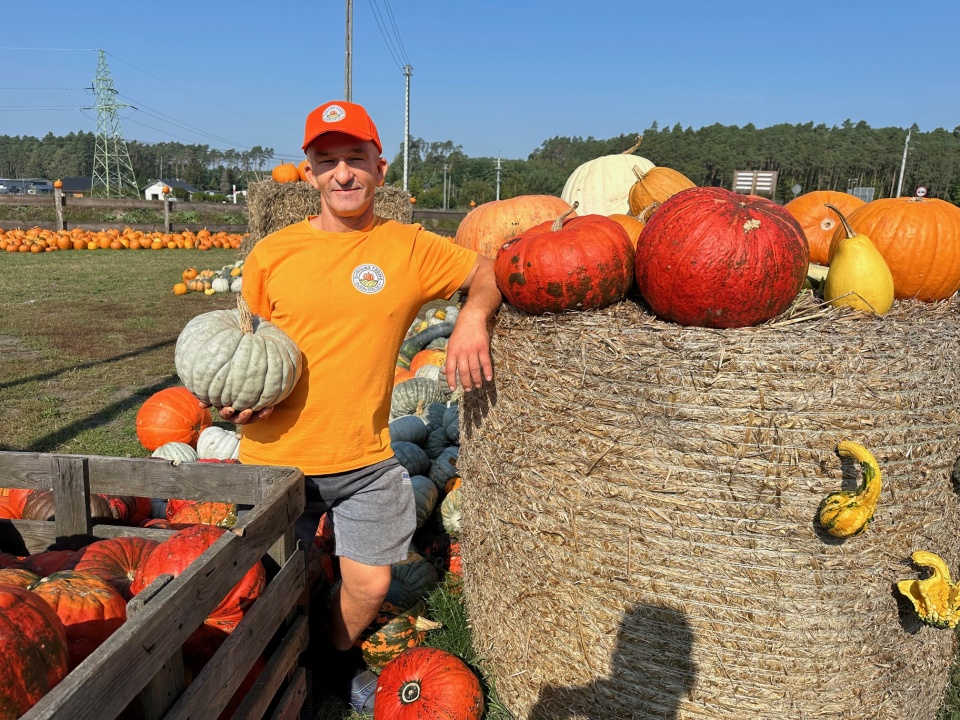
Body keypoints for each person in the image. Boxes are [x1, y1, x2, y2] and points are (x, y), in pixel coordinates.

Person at [213, 100, 501, 714]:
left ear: (380, 164)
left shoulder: (409, 248)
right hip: (276, 455)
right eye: (327, 161)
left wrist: (473, 316)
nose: (342, 173)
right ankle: (270, 666)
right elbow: (246, 349)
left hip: (364, 457)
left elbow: (490, 269)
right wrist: (232, 403)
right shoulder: (273, 254)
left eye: (354, 159)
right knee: (261, 587)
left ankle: (325, 662)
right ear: (310, 172)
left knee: (368, 583)